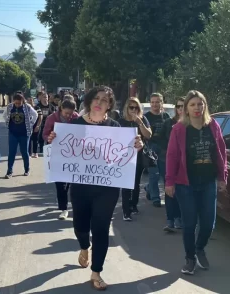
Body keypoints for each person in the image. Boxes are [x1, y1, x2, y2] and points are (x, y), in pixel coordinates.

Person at [47, 86, 144, 291]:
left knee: (100, 229)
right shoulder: (75, 125)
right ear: (89, 102)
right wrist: (54, 140)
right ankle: (84, 246)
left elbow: (126, 154)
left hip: (106, 188)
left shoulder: (117, 127)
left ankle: (96, 272)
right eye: (96, 98)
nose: (99, 102)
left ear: (109, 105)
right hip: (81, 187)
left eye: (105, 100)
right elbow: (61, 149)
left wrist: (137, 145)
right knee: (80, 226)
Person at [165, 90, 227, 275]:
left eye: (200, 104)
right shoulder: (179, 129)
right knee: (189, 224)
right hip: (186, 184)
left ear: (205, 106)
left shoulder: (213, 126)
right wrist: (169, 182)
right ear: (186, 108)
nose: (197, 108)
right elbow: (172, 156)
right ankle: (190, 258)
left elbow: (221, 151)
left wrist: (223, 176)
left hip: (208, 182)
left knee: (209, 224)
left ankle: (200, 248)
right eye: (192, 105)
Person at [42, 99, 79, 220]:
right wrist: (50, 137)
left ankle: (67, 202)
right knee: (60, 183)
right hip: (57, 154)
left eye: (70, 113)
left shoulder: (76, 118)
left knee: (71, 182)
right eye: (66, 113)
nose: (68, 116)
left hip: (73, 155)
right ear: (61, 109)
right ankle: (63, 208)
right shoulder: (51, 118)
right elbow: (45, 134)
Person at [118, 97, 152, 220]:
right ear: (126, 108)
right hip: (124, 156)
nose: (133, 110)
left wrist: (139, 122)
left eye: (136, 107)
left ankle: (133, 205)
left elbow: (148, 135)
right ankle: (126, 211)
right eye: (131, 107)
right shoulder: (121, 121)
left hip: (139, 155)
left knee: (136, 182)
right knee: (126, 183)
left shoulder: (142, 119)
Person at [160, 97, 185, 232]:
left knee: (181, 192)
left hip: (185, 164)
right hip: (169, 161)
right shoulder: (169, 123)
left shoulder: (191, 124)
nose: (181, 109)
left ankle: (179, 218)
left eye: (183, 106)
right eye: (178, 106)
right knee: (170, 190)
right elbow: (161, 140)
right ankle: (170, 220)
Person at [144, 93, 171, 207]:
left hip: (164, 149)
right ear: (150, 103)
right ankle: (156, 198)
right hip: (151, 148)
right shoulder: (146, 117)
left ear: (161, 102)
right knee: (154, 174)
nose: (155, 104)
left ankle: (148, 187)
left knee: (164, 174)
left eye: (157, 101)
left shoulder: (166, 116)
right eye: (153, 102)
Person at [3, 92, 38, 179]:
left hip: (24, 133)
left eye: (19, 103)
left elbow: (36, 114)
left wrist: (31, 123)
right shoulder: (10, 107)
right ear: (13, 101)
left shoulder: (27, 107)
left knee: (24, 152)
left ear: (23, 101)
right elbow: (4, 115)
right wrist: (7, 122)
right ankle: (9, 171)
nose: (18, 105)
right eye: (16, 103)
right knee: (12, 152)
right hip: (13, 133)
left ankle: (27, 169)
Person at [33, 92, 55, 156]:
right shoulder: (37, 106)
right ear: (41, 98)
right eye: (44, 97)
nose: (45, 98)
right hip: (41, 125)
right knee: (40, 138)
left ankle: (49, 151)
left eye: (46, 97)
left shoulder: (51, 106)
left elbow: (53, 115)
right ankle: (41, 151)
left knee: (49, 139)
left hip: (49, 125)